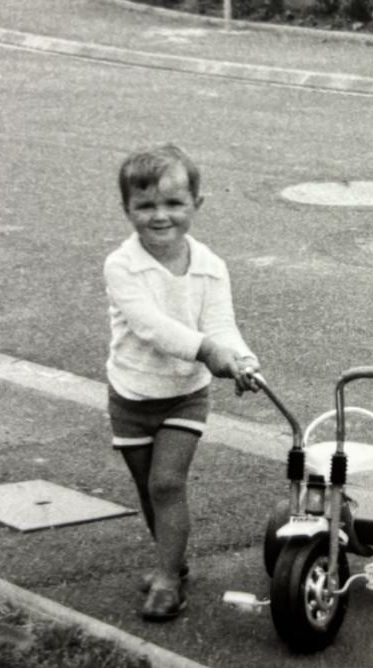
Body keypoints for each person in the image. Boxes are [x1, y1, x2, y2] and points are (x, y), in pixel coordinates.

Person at [104, 143, 259, 621]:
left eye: (173, 204)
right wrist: (208, 351)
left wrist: (240, 357)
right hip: (131, 394)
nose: (159, 216)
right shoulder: (122, 266)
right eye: (145, 205)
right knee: (149, 488)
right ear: (127, 208)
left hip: (185, 396)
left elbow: (221, 325)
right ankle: (171, 559)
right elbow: (151, 326)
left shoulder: (210, 266)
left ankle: (169, 579)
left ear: (196, 205)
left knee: (168, 484)